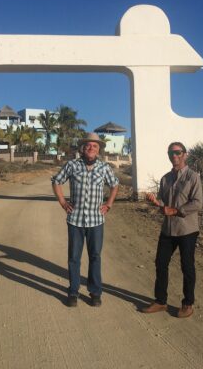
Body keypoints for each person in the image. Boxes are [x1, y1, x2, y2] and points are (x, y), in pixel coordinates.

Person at [51, 132, 119, 308]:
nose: (91, 148)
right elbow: (56, 181)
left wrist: (108, 204)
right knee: (74, 258)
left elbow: (115, 184)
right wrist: (63, 202)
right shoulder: (72, 165)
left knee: (95, 256)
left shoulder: (104, 168)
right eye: (88, 145)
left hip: (96, 221)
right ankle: (73, 292)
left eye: (95, 146)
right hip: (75, 220)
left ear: (98, 150)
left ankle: (95, 292)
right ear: (83, 148)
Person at [142, 141, 203, 318]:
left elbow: (197, 203)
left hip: (187, 230)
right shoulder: (165, 178)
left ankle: (187, 303)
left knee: (187, 266)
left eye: (177, 152)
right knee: (160, 263)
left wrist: (176, 211)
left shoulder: (193, 177)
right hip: (168, 229)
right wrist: (155, 202)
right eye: (171, 153)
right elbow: (163, 204)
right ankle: (160, 301)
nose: (174, 156)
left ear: (185, 154)